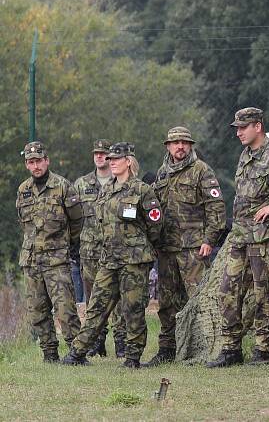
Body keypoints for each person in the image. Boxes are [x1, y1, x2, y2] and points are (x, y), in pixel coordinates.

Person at [206, 107, 269, 367]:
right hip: (240, 236)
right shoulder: (245, 155)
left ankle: (263, 351)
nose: (238, 132)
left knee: (263, 293)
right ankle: (231, 349)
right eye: (237, 128)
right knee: (227, 291)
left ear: (258, 127)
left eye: (243, 127)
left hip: (265, 237)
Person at [62, 142, 163, 368]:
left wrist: (140, 245)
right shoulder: (107, 190)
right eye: (110, 159)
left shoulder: (142, 190)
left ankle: (132, 357)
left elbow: (155, 224)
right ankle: (76, 354)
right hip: (109, 259)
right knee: (97, 305)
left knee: (133, 308)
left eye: (117, 158)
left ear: (128, 161)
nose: (112, 162)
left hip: (135, 260)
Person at [143, 127, 226, 367]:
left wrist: (209, 240)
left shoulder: (201, 171)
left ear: (190, 145)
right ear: (167, 146)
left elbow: (216, 208)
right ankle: (168, 349)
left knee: (199, 300)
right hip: (167, 249)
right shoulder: (162, 173)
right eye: (175, 143)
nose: (180, 147)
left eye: (184, 143)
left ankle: (209, 349)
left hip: (194, 249)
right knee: (167, 303)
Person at [16, 141, 83, 363]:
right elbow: (24, 224)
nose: (35, 166)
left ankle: (76, 353)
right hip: (32, 260)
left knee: (65, 309)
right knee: (37, 310)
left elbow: (77, 223)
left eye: (38, 161)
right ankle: (49, 354)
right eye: (30, 162)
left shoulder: (63, 186)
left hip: (57, 260)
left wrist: (66, 246)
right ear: (27, 164)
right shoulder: (23, 190)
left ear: (47, 161)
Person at [74, 139, 127, 358]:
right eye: (96, 153)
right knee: (94, 299)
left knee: (120, 299)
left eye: (103, 153)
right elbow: (73, 218)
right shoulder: (81, 184)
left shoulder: (122, 182)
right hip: (90, 252)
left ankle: (122, 341)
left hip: (117, 251)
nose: (99, 156)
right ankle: (97, 342)